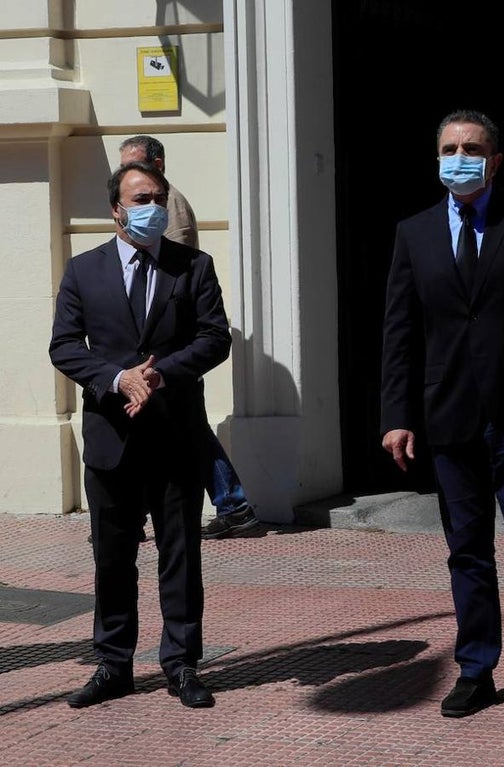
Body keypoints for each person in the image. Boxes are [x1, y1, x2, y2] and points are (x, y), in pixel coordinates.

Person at [379, 109, 504, 720]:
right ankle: (476, 668)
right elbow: (400, 332)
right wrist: (396, 414)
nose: (458, 156)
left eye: (471, 147)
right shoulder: (414, 233)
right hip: (448, 418)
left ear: (494, 159)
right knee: (466, 550)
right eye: (448, 147)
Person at [49, 161, 232, 708]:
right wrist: (116, 378)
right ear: (116, 209)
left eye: (157, 196)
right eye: (140, 198)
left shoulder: (193, 266)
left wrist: (162, 372)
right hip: (112, 439)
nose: (151, 206)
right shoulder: (84, 271)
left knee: (180, 555)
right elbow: (64, 347)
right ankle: (113, 664)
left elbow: (215, 338)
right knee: (112, 556)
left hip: (174, 437)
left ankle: (181, 663)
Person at [118, 135, 258, 540]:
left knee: (188, 429)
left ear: (157, 164)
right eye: (123, 166)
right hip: (162, 352)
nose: (127, 173)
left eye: (136, 164)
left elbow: (168, 279)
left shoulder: (165, 205)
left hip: (169, 351)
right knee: (184, 428)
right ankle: (232, 506)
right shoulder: (145, 201)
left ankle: (232, 505)